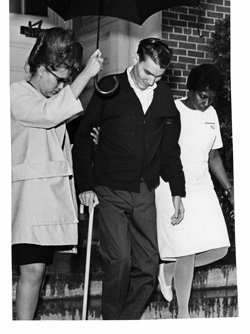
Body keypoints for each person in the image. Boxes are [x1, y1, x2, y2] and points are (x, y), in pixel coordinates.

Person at [72, 37, 186, 320]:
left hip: (144, 190)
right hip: (109, 188)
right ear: (136, 59)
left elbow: (170, 150)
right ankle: (112, 321)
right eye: (148, 73)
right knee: (120, 260)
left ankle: (125, 322)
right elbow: (84, 138)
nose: (152, 82)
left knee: (148, 267)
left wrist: (177, 191)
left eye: (158, 76)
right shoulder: (110, 87)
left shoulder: (163, 96)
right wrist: (85, 185)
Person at [11, 27, 103, 320]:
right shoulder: (16, 94)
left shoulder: (52, 101)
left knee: (37, 272)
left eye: (67, 81)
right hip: (22, 202)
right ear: (40, 68)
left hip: (44, 204)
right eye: (60, 79)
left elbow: (57, 140)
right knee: (33, 270)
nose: (62, 87)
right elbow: (47, 115)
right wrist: (87, 74)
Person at [156, 63, 234, 319]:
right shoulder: (172, 110)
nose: (206, 102)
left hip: (202, 187)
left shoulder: (211, 115)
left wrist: (229, 189)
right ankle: (183, 314)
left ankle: (168, 270)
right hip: (171, 186)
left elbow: (213, 157)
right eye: (203, 96)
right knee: (187, 249)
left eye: (211, 98)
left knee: (220, 248)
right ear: (190, 89)